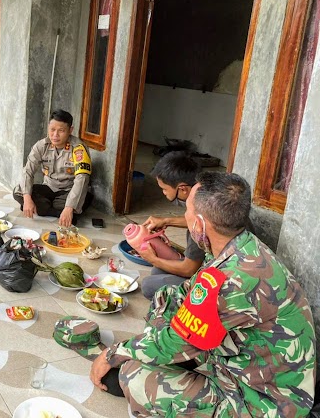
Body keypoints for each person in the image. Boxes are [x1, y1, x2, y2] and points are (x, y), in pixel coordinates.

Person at [90, 172, 316, 417]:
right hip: (234, 360)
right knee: (165, 297)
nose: (184, 218)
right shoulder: (238, 244)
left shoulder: (234, 278)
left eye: (187, 211)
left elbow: (178, 337)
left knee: (134, 375)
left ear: (198, 223)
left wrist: (114, 353)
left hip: (261, 399)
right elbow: (183, 297)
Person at [139, 152, 204, 299]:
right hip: (211, 263)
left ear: (182, 189)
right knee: (157, 271)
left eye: (164, 189)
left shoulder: (199, 217)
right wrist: (166, 220)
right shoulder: (204, 194)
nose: (163, 193)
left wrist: (153, 259)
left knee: (149, 285)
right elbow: (191, 220)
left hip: (221, 279)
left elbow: (189, 270)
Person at [13, 109, 92, 227]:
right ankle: (58, 212)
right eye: (52, 130)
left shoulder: (78, 148)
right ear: (48, 128)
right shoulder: (41, 145)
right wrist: (27, 198)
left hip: (68, 191)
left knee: (78, 200)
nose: (55, 135)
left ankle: (53, 210)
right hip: (49, 187)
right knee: (18, 192)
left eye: (61, 131)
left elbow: (82, 179)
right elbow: (28, 171)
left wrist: (69, 207)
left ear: (70, 130)